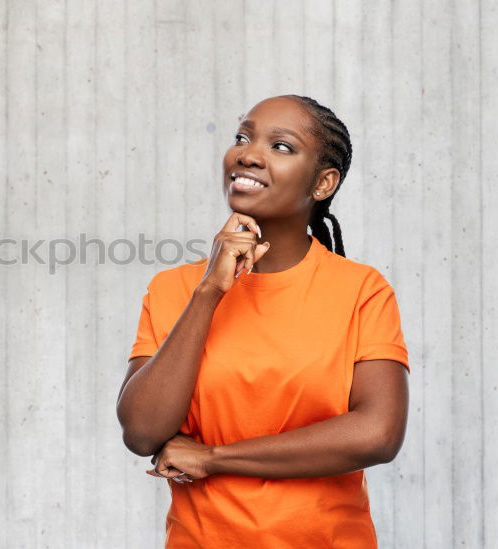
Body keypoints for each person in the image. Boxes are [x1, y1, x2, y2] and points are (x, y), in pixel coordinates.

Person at [116, 95, 410, 548]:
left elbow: (378, 433)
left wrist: (214, 458)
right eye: (242, 137)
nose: (247, 154)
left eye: (282, 147)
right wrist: (209, 293)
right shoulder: (174, 289)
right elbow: (141, 431)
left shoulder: (361, 290)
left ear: (323, 183)